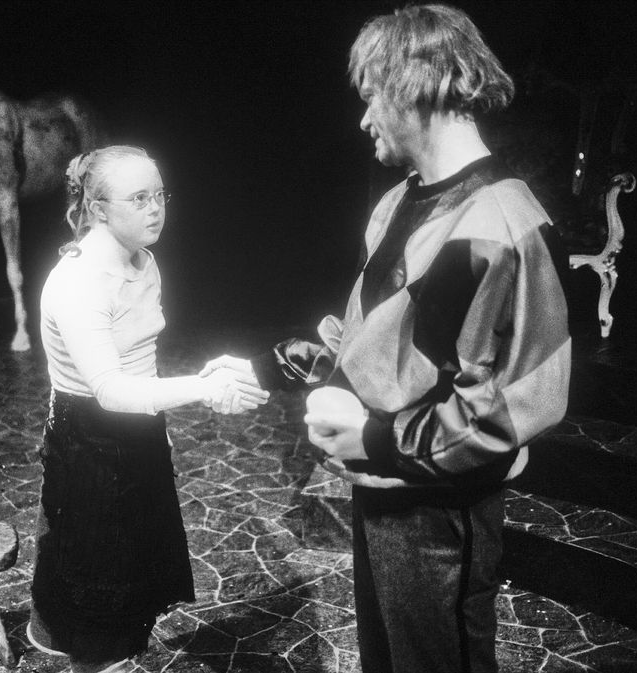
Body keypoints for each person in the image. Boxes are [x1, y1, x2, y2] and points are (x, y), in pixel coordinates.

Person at [201, 5, 571, 672]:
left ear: (413, 86)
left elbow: (511, 405)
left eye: (371, 94)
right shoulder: (399, 201)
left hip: (441, 514)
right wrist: (272, 366)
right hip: (385, 494)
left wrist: (375, 439)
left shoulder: (506, 223)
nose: (364, 117)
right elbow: (377, 348)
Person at [29, 145, 269, 673]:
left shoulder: (144, 260)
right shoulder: (79, 282)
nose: (156, 208)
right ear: (98, 209)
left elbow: (141, 359)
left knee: (135, 564)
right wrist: (204, 387)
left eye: (160, 195)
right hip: (89, 441)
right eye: (138, 198)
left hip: (137, 427)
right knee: (97, 584)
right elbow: (109, 391)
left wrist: (162, 425)